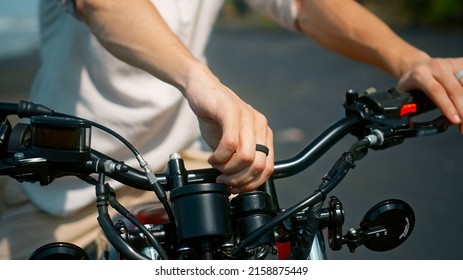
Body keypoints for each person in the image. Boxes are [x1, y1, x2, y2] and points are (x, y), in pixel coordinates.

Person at [0, 0, 462, 260]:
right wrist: (200, 81)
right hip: (66, 179)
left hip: (187, 161)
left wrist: (410, 61)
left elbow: (305, 6)